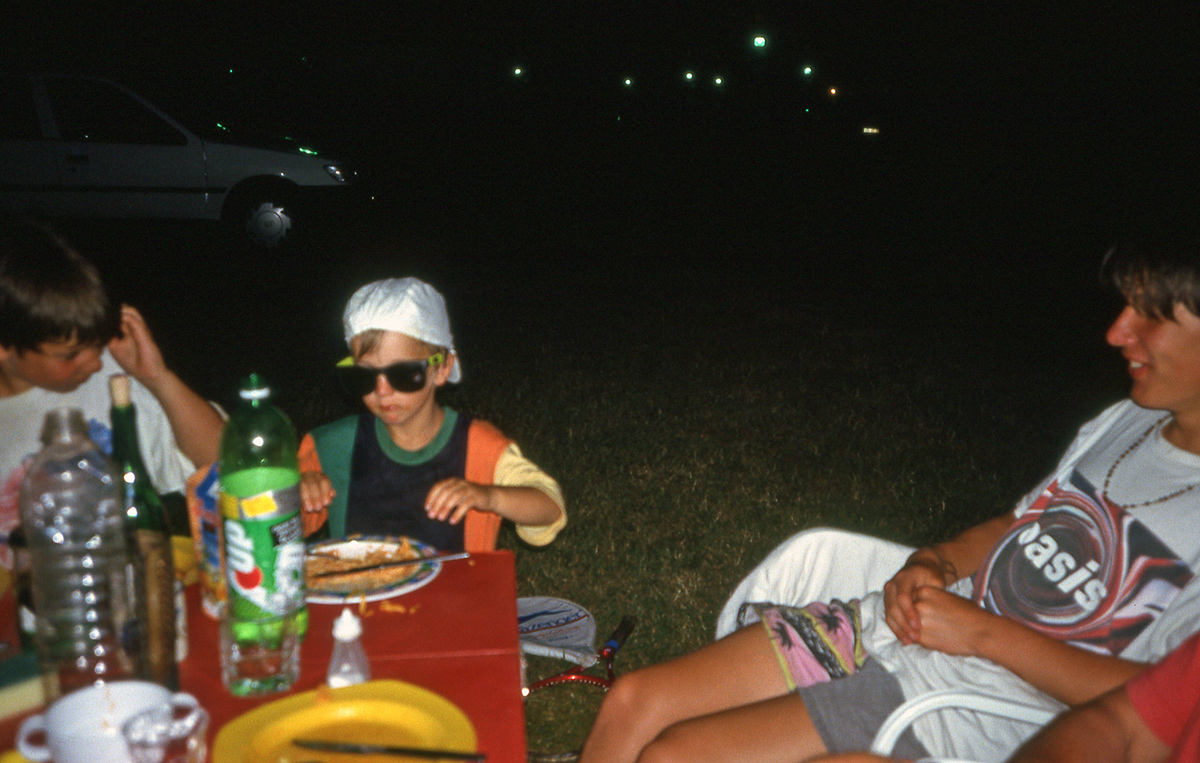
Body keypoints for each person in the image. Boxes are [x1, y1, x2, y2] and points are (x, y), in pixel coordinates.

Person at [578, 239, 1200, 763]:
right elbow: (1021, 523)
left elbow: (1165, 705)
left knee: (675, 755)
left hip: (970, 699)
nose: (1117, 331)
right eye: (1126, 306)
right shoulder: (1125, 422)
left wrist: (983, 635)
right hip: (894, 627)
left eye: (1152, 315)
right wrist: (937, 561)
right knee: (635, 701)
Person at [0, 221, 224, 566]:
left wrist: (157, 377)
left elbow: (223, 460)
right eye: (71, 354)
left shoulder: (112, 380)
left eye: (96, 342)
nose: (93, 362)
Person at [297, 277, 566, 551]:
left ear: (442, 368)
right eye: (364, 375)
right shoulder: (330, 446)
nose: (382, 390)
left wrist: (490, 496)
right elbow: (271, 534)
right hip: (360, 593)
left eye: (403, 373)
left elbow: (550, 508)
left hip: (458, 592)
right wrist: (296, 498)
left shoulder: (479, 446)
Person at [809, 627, 1200, 762]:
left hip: (947, 701)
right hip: (910, 652)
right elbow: (1120, 726)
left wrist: (982, 634)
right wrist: (938, 559)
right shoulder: (1120, 435)